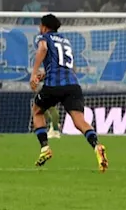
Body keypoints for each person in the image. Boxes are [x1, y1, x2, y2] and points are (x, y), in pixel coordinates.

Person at [30, 13, 107, 172]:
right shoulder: (66, 41)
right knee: (79, 121)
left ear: (44, 27)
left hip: (53, 86)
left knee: (37, 111)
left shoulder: (44, 37)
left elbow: (43, 48)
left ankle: (45, 148)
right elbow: (71, 67)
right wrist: (46, 73)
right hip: (73, 85)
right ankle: (96, 146)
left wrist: (34, 73)